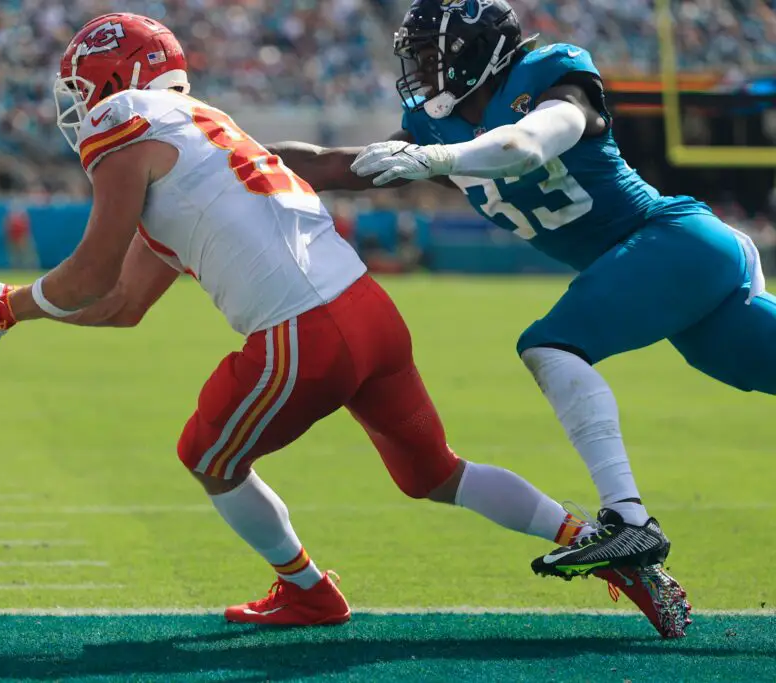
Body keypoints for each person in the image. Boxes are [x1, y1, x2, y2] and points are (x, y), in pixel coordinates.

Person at [0, 13, 673, 632]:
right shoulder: (202, 134)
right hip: (369, 314)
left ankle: (307, 588)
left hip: (303, 333)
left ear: (117, 77)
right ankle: (600, 542)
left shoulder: (128, 121)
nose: (81, 105)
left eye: (84, 87)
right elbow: (122, 304)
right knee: (436, 472)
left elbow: (89, 275)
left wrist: (12, 303)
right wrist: (27, 311)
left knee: (208, 455)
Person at [266, 0, 776, 636]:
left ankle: (630, 522)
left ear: (478, 52)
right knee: (735, 361)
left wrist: (438, 160)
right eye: (417, 56)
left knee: (551, 345)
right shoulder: (434, 128)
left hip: (674, 241)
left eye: (431, 55)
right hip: (667, 276)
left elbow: (530, 144)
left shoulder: (551, 76)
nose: (421, 71)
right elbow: (332, 163)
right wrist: (226, 154)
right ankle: (630, 522)